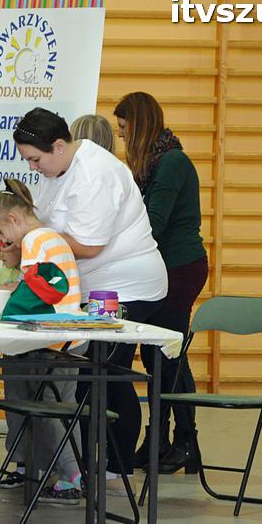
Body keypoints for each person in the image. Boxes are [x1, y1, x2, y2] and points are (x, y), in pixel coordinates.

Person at [10, 107, 168, 492]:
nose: (32, 167)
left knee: (105, 378)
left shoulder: (96, 173)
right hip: (93, 287)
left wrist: (30, 240)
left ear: (59, 146)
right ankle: (84, 466)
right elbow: (49, 228)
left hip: (129, 287)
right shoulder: (58, 169)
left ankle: (117, 467)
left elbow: (90, 245)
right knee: (88, 380)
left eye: (35, 159)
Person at [114, 92, 208, 474]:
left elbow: (153, 224)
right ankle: (162, 440)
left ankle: (185, 441)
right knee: (157, 356)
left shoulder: (171, 163)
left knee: (169, 355)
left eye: (123, 130)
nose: (121, 138)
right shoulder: (153, 164)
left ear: (138, 126)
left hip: (178, 268)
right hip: (160, 269)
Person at [0, 178, 84, 505]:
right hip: (69, 338)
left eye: (0, 233)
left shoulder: (35, 242)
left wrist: (2, 301)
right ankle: (61, 469)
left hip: (51, 339)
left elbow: (32, 291)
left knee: (51, 410)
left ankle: (72, 476)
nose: (1, 240)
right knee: (61, 407)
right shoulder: (50, 237)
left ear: (13, 220)